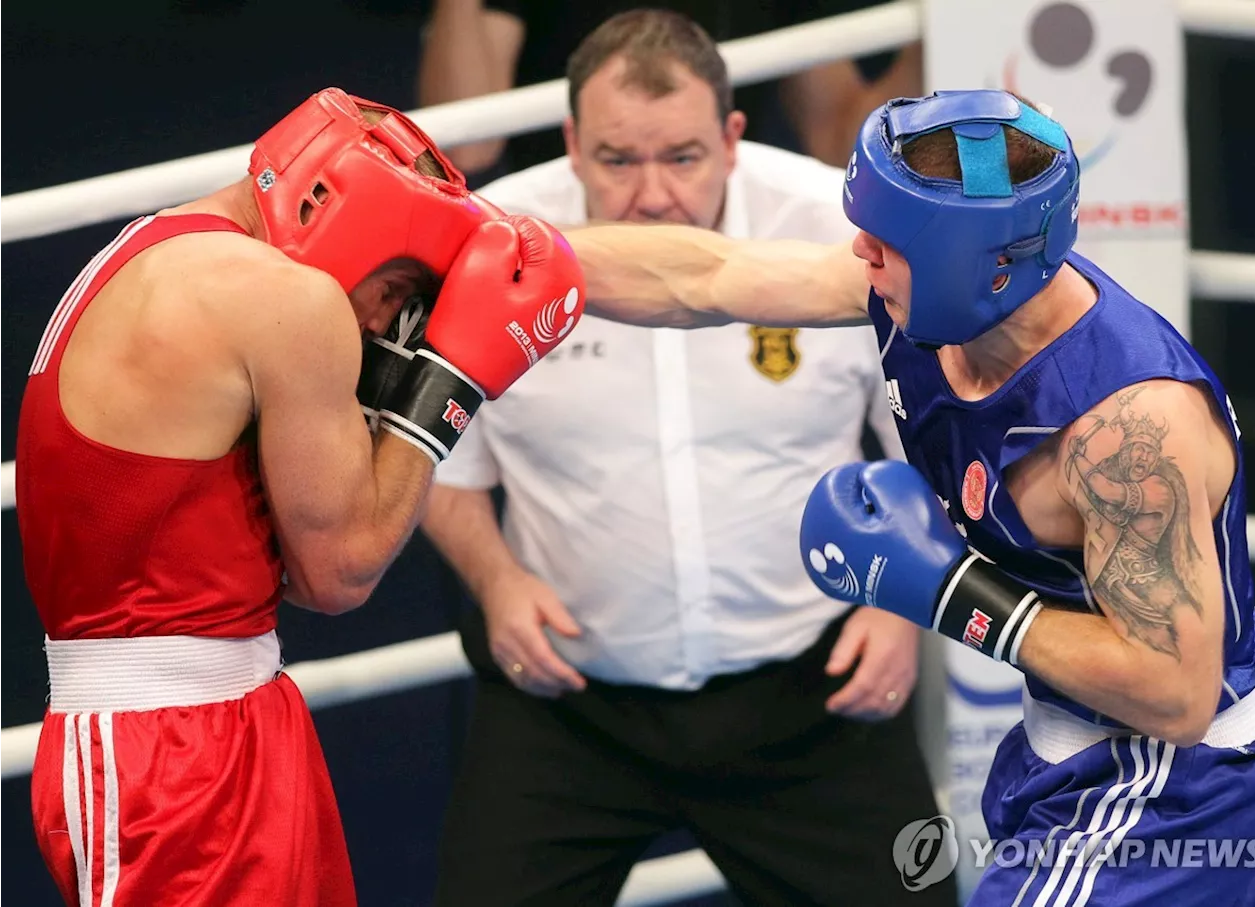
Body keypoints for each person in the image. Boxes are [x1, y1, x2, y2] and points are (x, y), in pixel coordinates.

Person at [564, 89, 1255, 903]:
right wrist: (511, 247)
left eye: (888, 242)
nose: (861, 255)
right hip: (1073, 753)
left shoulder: (1127, 429)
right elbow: (708, 274)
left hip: (1169, 789)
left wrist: (952, 593)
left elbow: (1176, 696)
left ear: (975, 262)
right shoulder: (923, 297)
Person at [420, 10, 950, 906]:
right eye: (619, 161)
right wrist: (497, 581)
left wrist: (905, 602)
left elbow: (937, 438)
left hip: (814, 691)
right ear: (573, 145)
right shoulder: (489, 248)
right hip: (570, 705)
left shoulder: (838, 230)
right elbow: (436, 461)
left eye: (682, 159)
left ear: (733, 139)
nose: (653, 195)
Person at [15, 86, 584, 906]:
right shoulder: (287, 299)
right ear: (350, 223)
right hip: (171, 753)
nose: (390, 322)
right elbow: (341, 573)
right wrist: (450, 384)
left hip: (219, 717)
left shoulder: (156, 249)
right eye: (398, 288)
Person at [415, 0, 920, 180]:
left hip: (732, 246)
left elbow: (844, 142)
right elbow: (466, 143)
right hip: (573, 250)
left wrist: (945, 19)